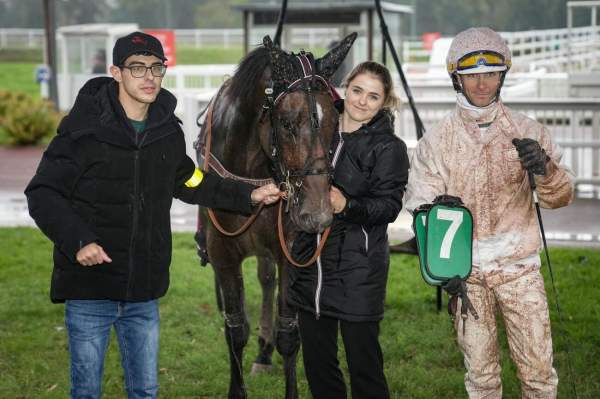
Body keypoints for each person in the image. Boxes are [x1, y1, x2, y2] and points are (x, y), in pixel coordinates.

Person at [24, 31, 281, 399]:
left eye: (156, 68)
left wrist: (249, 193)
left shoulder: (165, 131)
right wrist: (78, 240)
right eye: (137, 68)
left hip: (144, 291)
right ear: (116, 72)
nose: (149, 77)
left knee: (144, 390)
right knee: (86, 392)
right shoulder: (82, 130)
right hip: (90, 288)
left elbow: (190, 180)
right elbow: (43, 192)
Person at [404, 27, 575, 399]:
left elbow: (561, 198)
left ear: (503, 76)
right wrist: (442, 262)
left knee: (539, 377)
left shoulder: (529, 131)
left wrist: (545, 168)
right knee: (481, 380)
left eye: (491, 74)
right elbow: (419, 205)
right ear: (456, 78)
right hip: (467, 276)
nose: (482, 84)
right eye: (472, 75)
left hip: (521, 272)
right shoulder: (435, 142)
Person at [289, 61, 409, 399]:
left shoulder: (389, 148)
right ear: (346, 87)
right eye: (357, 90)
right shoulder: (315, 131)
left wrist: (347, 206)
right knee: (318, 367)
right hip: (310, 264)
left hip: (359, 267)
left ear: (384, 102)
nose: (361, 101)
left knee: (364, 368)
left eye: (373, 96)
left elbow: (389, 207)